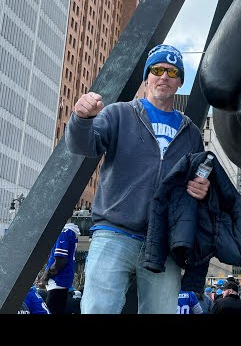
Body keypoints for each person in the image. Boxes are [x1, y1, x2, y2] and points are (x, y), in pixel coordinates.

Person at [66, 44, 210, 314]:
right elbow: (83, 146)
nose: (164, 76)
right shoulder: (119, 113)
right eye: (157, 69)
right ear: (147, 77)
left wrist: (202, 189)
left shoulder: (190, 132)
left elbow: (196, 184)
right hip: (114, 233)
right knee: (98, 309)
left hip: (163, 242)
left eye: (172, 71)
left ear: (179, 81)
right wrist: (82, 118)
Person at [39, 219, 80, 314]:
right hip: (63, 281)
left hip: (57, 281)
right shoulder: (71, 232)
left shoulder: (64, 232)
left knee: (51, 310)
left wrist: (45, 276)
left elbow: (60, 261)